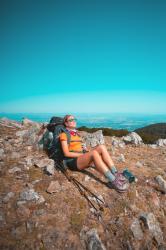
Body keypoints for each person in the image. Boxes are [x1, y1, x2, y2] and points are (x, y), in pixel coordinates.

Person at [59, 114, 129, 193]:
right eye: (71, 120)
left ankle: (115, 173)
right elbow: (66, 153)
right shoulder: (64, 135)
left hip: (80, 159)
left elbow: (79, 148)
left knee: (101, 147)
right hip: (72, 162)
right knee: (94, 153)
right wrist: (83, 155)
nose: (74, 121)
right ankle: (113, 181)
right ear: (66, 123)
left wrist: (85, 152)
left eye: (74, 119)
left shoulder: (77, 134)